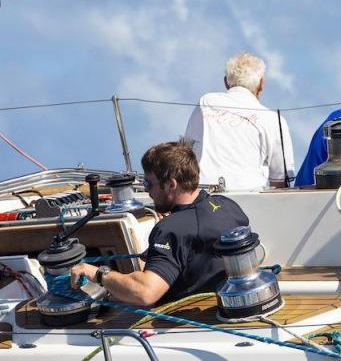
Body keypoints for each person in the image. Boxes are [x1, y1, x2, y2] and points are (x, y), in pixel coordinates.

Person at [70, 141, 249, 306]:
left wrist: (98, 274)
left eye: (149, 183)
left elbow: (145, 293)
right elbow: (199, 249)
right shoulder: (226, 205)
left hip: (188, 322)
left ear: (171, 185)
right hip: (229, 300)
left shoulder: (171, 229)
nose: (147, 191)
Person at [184, 52, 294, 191]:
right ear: (261, 84)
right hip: (249, 201)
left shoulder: (207, 101)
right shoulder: (274, 120)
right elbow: (281, 181)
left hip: (203, 196)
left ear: (226, 82)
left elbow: (186, 151)